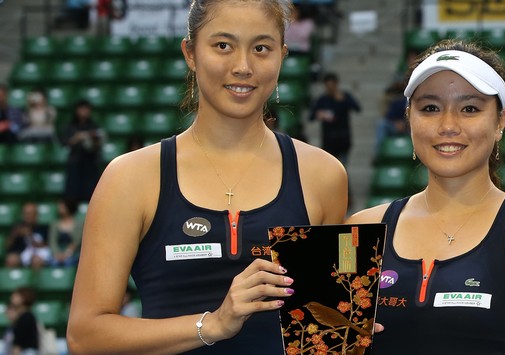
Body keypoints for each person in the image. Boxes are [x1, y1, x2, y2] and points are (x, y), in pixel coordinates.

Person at [66, 1, 348, 354]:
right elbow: (84, 336)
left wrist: (349, 330)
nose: (243, 67)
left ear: (282, 55)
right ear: (190, 53)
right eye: (223, 46)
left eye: (261, 48)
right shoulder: (132, 177)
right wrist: (212, 324)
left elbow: (322, 338)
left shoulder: (323, 175)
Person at [346, 39, 505, 353]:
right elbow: (322, 342)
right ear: (409, 119)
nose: (448, 126)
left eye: (469, 109)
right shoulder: (356, 232)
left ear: (501, 122)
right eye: (430, 108)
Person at [308, 72, 361, 166]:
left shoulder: (344, 97)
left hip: (343, 137)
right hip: (328, 139)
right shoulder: (322, 100)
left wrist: (343, 101)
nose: (330, 87)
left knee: (342, 167)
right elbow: (311, 117)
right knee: (330, 167)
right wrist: (319, 114)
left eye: (332, 85)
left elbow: (357, 108)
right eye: (328, 85)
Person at [60, 99, 104, 204]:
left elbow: (99, 143)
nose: (84, 112)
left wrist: (91, 138)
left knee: (92, 194)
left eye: (86, 109)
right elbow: (66, 142)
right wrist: (78, 137)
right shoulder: (70, 126)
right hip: (75, 164)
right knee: (73, 194)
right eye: (82, 109)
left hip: (90, 163)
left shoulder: (94, 126)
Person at [5, 202, 51, 270]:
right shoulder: (18, 227)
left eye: (29, 214)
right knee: (11, 260)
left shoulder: (43, 227)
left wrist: (30, 236)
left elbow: (47, 244)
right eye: (25, 213)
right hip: (22, 255)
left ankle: (34, 280)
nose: (27, 216)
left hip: (39, 254)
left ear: (36, 215)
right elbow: (6, 246)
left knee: (36, 261)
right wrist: (14, 234)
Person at [3, 287, 39, 355]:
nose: (12, 297)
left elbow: (19, 343)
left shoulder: (26, 317)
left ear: (23, 298)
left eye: (16, 295)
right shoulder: (21, 317)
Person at [48, 199, 83, 267]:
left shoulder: (79, 224)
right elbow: (52, 242)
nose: (59, 207)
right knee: (54, 262)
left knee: (69, 262)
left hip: (73, 253)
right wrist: (57, 254)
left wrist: (67, 253)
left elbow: (77, 241)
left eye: (62, 206)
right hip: (57, 254)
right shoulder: (55, 224)